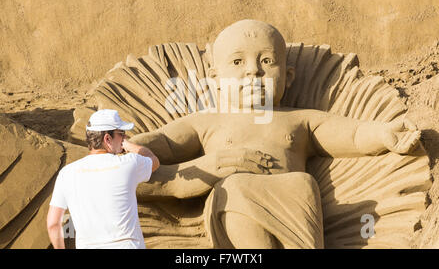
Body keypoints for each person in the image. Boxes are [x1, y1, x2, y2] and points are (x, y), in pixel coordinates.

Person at [128, 19, 421, 248]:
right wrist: (130, 149)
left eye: (267, 61)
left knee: (302, 184)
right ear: (216, 79)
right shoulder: (207, 122)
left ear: (288, 77)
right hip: (235, 200)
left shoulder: (298, 119)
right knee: (237, 188)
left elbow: (353, 135)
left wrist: (384, 133)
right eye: (238, 62)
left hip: (294, 201)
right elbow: (160, 144)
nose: (253, 71)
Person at [46, 109, 160, 249]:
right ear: (107, 139)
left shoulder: (67, 173)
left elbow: (52, 224)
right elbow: (154, 160)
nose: (124, 138)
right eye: (121, 134)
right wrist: (128, 145)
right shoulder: (129, 163)